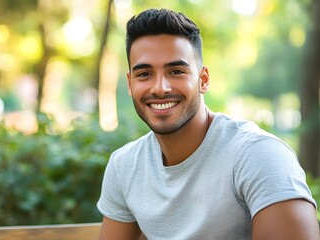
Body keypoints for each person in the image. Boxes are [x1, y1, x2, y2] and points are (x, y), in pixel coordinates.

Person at [96, 8, 319, 240]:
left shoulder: (258, 155)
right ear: (130, 84)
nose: (160, 88)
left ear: (203, 80)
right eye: (144, 74)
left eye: (176, 71)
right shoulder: (124, 166)